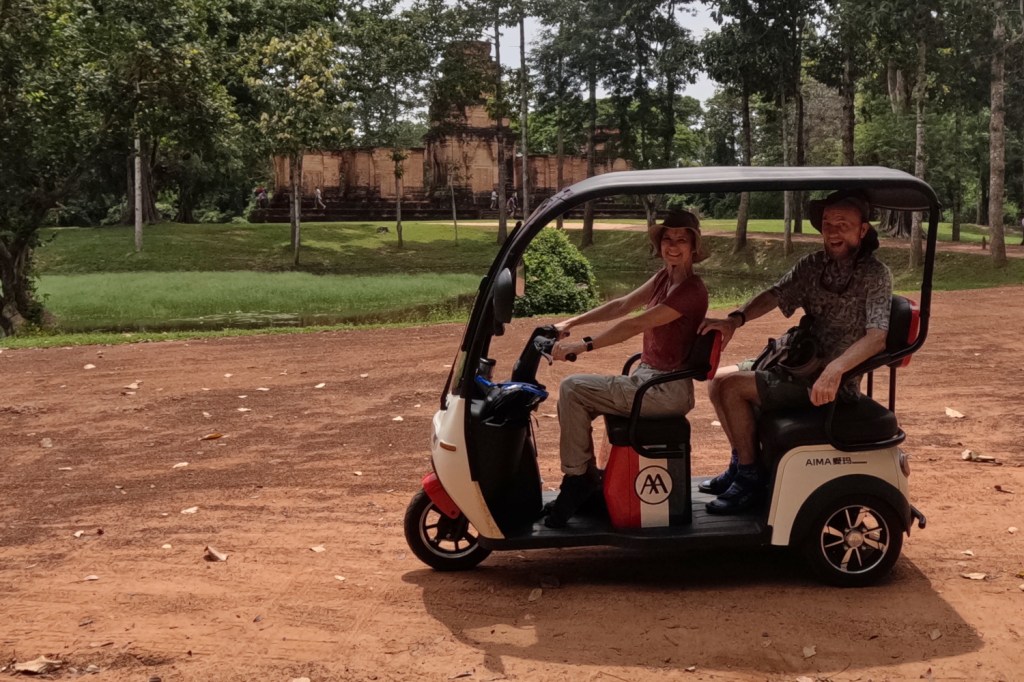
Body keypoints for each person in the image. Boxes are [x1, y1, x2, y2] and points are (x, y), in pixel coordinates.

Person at [698, 189, 892, 515]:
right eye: (827, 223)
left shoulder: (876, 275)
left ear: (863, 230)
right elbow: (776, 294)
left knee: (732, 388)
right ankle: (740, 463)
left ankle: (750, 480)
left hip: (830, 383)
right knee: (717, 380)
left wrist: (835, 370)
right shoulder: (814, 265)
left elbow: (877, 337)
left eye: (842, 224)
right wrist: (735, 319)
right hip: (798, 364)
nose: (832, 231)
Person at [544, 210, 710, 527]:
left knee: (573, 389)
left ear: (693, 247)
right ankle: (586, 477)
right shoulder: (664, 277)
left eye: (681, 240)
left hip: (665, 390)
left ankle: (578, 480)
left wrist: (583, 346)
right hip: (649, 378)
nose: (673, 246)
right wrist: (571, 322)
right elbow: (622, 305)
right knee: (578, 394)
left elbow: (635, 324)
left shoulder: (690, 290)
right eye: (667, 238)